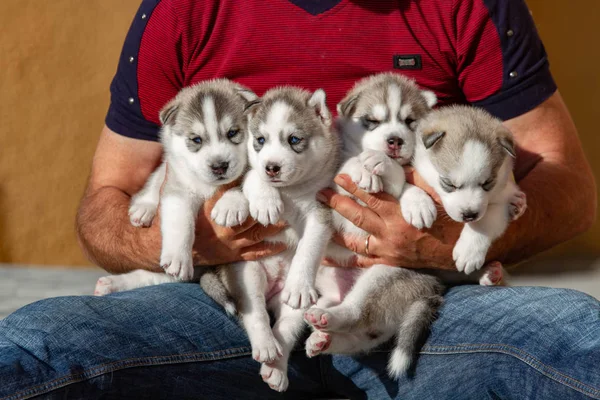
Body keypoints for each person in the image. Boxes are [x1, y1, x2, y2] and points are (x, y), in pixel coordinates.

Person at [1, 0, 598, 398]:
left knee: (574, 334)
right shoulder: (183, 9)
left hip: (413, 301)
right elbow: (107, 201)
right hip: (223, 305)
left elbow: (567, 185)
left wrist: (447, 243)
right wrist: (187, 242)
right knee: (38, 344)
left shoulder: (468, 5)